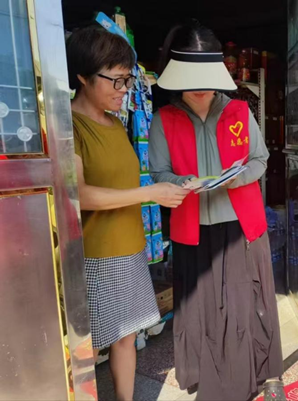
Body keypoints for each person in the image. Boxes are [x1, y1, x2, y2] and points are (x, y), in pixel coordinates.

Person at [149, 20, 284, 401]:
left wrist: (237, 179)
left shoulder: (239, 111)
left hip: (241, 226)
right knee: (203, 309)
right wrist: (182, 182)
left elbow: (260, 159)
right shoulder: (164, 119)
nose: (201, 87)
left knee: (245, 306)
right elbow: (159, 173)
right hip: (193, 230)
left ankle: (259, 375)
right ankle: (211, 380)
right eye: (191, 79)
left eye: (207, 78)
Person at [66, 26, 190, 401]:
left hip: (130, 247)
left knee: (126, 335)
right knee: (88, 347)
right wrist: (150, 193)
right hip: (96, 254)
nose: (124, 90)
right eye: (116, 80)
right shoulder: (69, 126)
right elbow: (78, 194)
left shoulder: (116, 124)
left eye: (128, 80)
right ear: (83, 77)